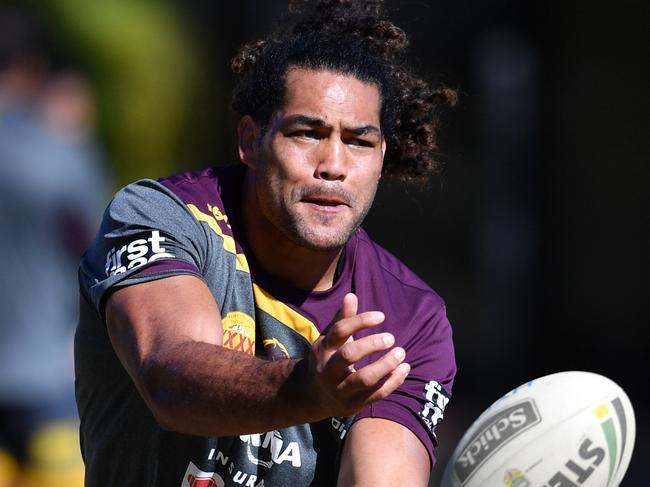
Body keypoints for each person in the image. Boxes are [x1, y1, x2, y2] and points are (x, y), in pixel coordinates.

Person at [75, 1, 457, 485]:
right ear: (251, 141)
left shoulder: (409, 318)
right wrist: (308, 388)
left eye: (359, 142)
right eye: (307, 133)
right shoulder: (164, 218)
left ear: (382, 156)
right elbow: (168, 376)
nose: (333, 165)